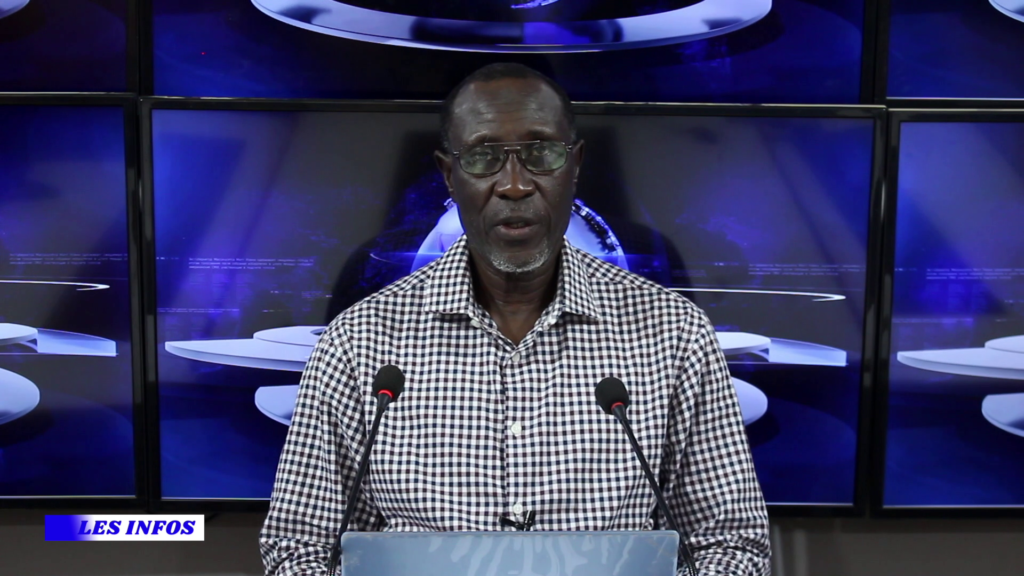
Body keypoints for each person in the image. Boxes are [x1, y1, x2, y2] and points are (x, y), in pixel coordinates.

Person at [260, 63, 771, 575]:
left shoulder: (673, 333)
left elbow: (731, 543)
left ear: (574, 165)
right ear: (449, 175)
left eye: (541, 153)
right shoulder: (359, 341)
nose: (514, 185)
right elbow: (300, 546)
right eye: (483, 157)